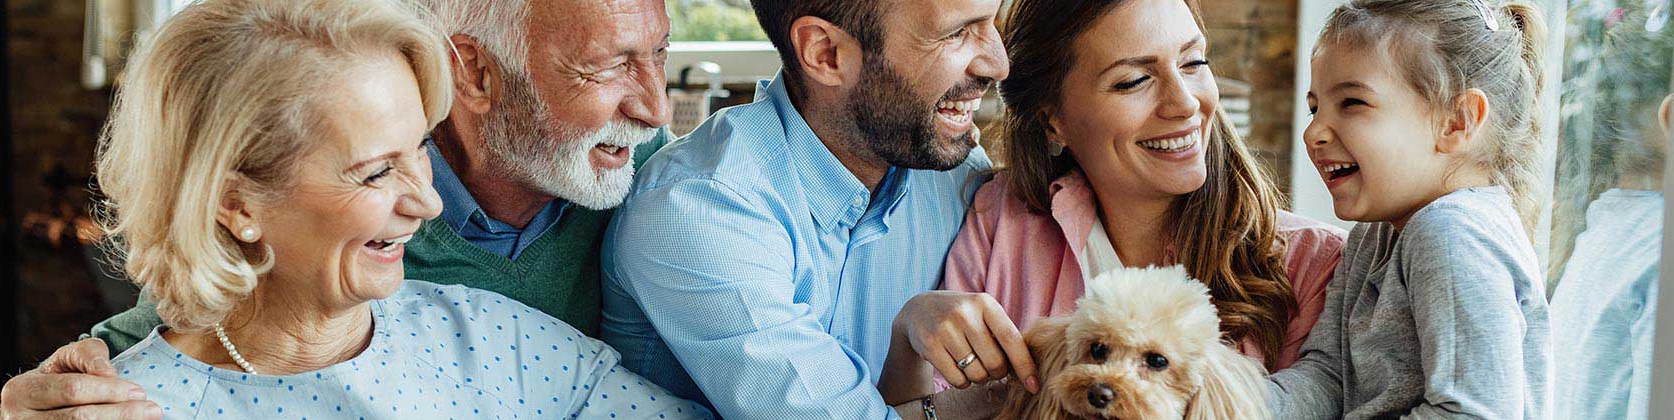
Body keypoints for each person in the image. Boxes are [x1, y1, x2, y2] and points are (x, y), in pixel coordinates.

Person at [0, 0, 677, 418]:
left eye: (418, 151)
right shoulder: (133, 399)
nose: (427, 201)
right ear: (234, 204)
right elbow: (170, 326)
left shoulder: (504, 338)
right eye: (377, 171)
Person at [876, 0, 1347, 401]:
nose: (1184, 103)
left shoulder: (1315, 265)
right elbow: (931, 408)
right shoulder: (997, 224)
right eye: (1133, 81)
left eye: (1193, 62)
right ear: (1053, 121)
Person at [599, 0, 1018, 418]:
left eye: (990, 22)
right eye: (955, 33)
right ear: (825, 53)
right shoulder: (697, 209)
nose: (997, 64)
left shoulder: (954, 179)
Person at [1269, 1, 1551, 418]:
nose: (1313, 132)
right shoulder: (1378, 232)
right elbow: (1330, 376)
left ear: (1457, 122)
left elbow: (1472, 413)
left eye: (1352, 103)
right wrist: (1229, 403)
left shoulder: (1453, 235)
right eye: (1315, 108)